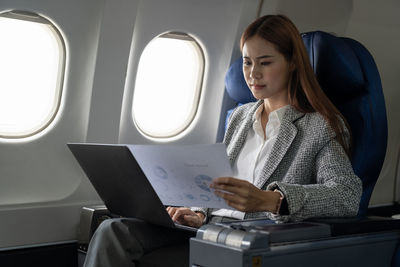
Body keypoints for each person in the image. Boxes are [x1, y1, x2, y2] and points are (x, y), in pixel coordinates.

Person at [83, 14, 362, 267]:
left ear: (291, 63)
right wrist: (199, 213)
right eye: (247, 62)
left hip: (250, 242)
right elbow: (218, 185)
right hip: (207, 230)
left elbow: (346, 195)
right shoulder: (241, 117)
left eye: (265, 62)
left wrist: (272, 200)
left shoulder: (319, 126)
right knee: (114, 231)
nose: (253, 74)